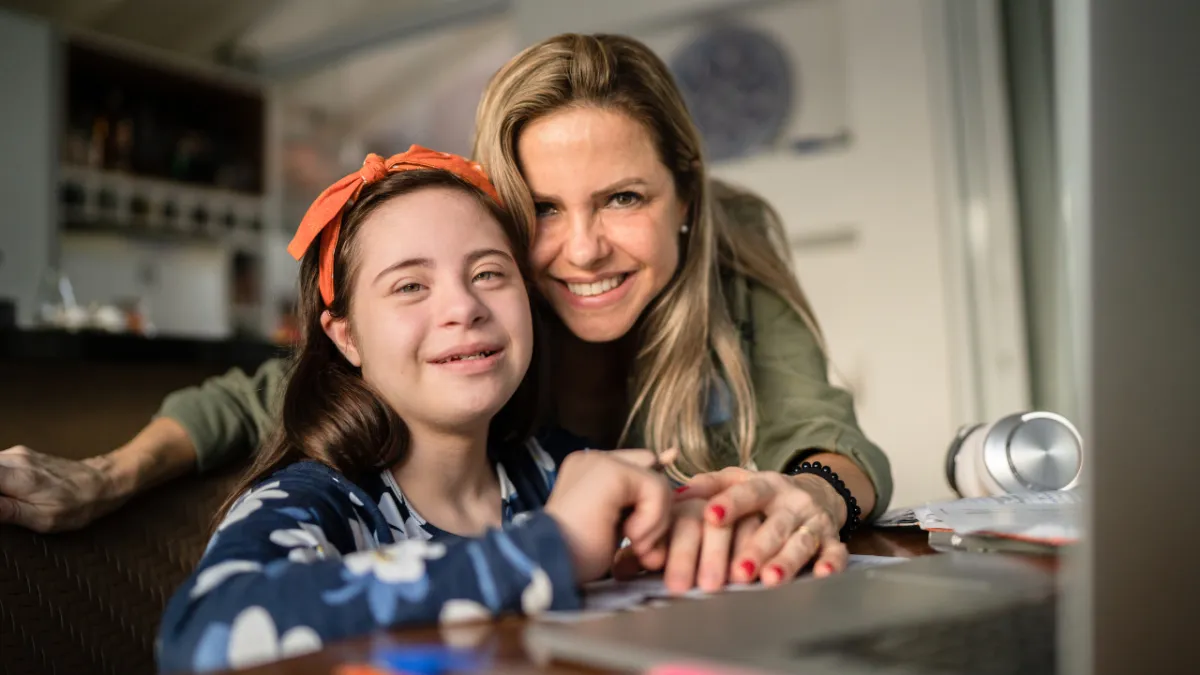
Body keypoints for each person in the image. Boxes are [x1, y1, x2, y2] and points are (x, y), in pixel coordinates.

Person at [1, 33, 891, 593]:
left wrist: (804, 493)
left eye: (623, 198)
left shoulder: (725, 254)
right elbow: (263, 394)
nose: (583, 250)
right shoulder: (472, 340)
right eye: (542, 210)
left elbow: (831, 436)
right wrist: (108, 476)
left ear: (684, 197)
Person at [156, 147, 677, 674]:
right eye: (410, 286)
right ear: (347, 337)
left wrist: (725, 520)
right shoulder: (321, 504)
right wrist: (548, 549)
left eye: (489, 274)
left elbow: (681, 539)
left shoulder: (563, 470)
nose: (464, 308)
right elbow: (201, 634)